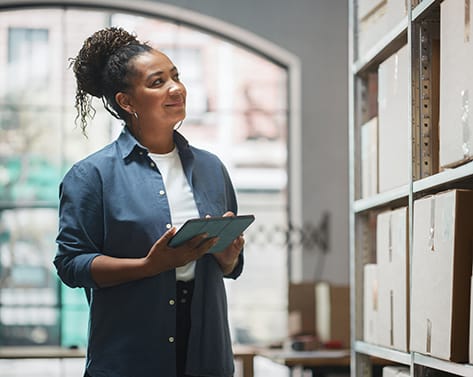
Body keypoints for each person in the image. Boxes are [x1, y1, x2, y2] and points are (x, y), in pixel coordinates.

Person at [54, 26, 245, 377]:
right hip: (130, 356)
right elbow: (71, 265)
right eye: (158, 82)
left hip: (207, 353)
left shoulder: (211, 168)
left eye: (176, 77)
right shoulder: (91, 175)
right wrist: (148, 265)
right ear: (126, 101)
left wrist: (228, 257)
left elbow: (230, 267)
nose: (176, 88)